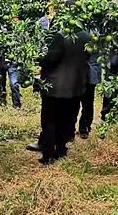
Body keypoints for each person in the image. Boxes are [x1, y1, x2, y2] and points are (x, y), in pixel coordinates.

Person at [38, 29, 90, 164]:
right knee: (66, 120)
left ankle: (48, 154)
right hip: (75, 86)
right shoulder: (86, 36)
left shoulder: (61, 36)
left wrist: (40, 59)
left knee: (49, 120)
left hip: (55, 87)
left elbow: (51, 59)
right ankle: (61, 151)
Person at [77, 53, 101, 139]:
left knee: (87, 103)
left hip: (90, 73)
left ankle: (84, 127)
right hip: (77, 73)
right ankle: (70, 130)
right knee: (73, 104)